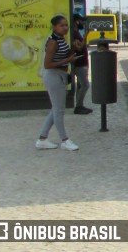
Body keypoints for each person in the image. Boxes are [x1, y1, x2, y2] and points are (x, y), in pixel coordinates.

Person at [36, 14, 80, 151]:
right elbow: (47, 64)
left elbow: (64, 55)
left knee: (55, 108)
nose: (65, 28)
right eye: (62, 25)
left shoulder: (61, 39)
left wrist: (74, 50)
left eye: (66, 25)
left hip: (60, 75)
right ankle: (64, 140)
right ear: (54, 27)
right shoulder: (53, 42)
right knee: (59, 110)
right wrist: (67, 61)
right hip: (53, 76)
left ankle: (42, 138)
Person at [72, 14, 92, 114]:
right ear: (76, 21)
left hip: (82, 62)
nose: (83, 23)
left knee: (80, 85)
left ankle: (80, 105)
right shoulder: (74, 34)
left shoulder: (76, 33)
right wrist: (85, 37)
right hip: (79, 63)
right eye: (81, 21)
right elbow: (78, 48)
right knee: (85, 85)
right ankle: (78, 106)